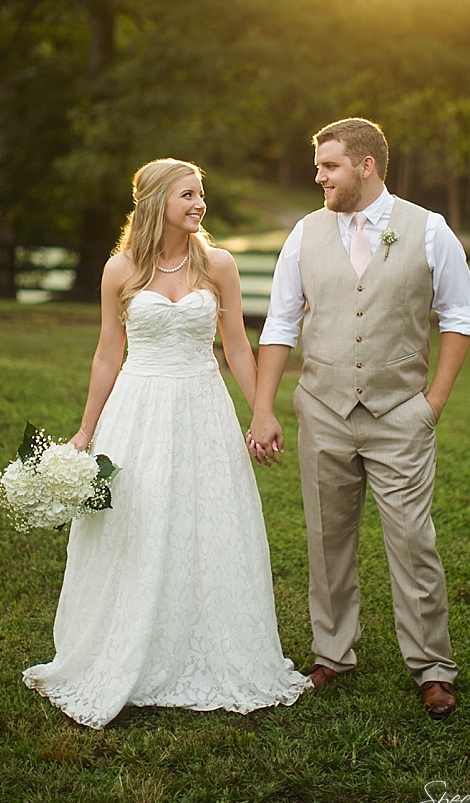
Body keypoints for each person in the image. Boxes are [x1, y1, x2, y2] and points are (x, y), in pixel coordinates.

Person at [23, 158, 310, 727]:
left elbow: (236, 349)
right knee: (140, 524)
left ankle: (205, 643)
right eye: (188, 195)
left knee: (206, 523)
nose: (200, 204)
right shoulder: (120, 269)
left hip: (202, 405)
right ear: (157, 201)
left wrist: (260, 413)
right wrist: (85, 430)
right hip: (139, 408)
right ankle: (129, 648)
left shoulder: (218, 264)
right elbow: (109, 353)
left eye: (202, 194)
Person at [247, 118, 470, 720]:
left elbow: (458, 315)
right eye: (318, 165)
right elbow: (279, 324)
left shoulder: (429, 232)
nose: (317, 175)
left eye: (329, 165)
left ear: (367, 165)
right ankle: (332, 652)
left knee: (411, 540)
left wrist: (433, 405)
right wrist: (265, 407)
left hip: (401, 412)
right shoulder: (305, 233)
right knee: (326, 539)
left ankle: (431, 667)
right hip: (322, 408)